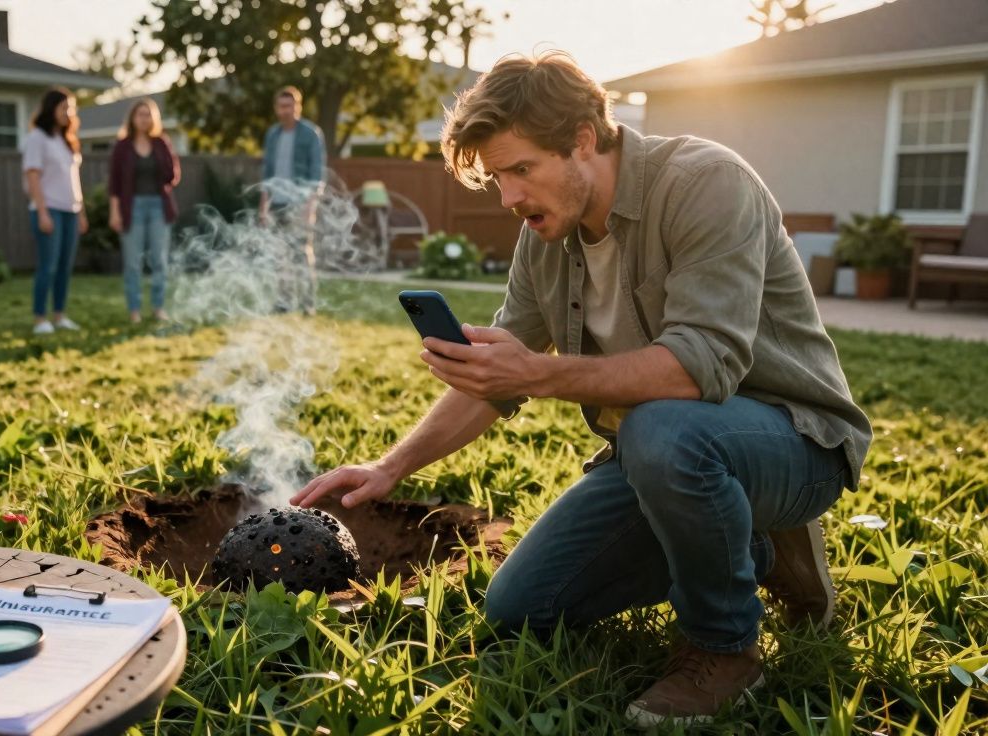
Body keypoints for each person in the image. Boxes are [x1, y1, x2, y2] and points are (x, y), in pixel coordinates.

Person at [291, 52, 871, 727]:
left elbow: (699, 367)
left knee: (660, 429)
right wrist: (389, 468)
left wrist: (538, 374)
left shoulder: (706, 183)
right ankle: (758, 550)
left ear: (584, 141)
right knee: (520, 609)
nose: (508, 197)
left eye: (520, 169)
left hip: (791, 440)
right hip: (665, 454)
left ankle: (724, 648)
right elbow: (497, 379)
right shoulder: (545, 233)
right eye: (497, 176)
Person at [108, 98, 181, 324]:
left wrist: (166, 158)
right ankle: (134, 310)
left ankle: (158, 307)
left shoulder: (161, 143)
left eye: (148, 114)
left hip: (159, 206)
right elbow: (115, 183)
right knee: (132, 263)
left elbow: (173, 176)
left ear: (153, 118)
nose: (144, 118)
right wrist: (115, 212)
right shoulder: (122, 147)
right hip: (133, 208)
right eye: (140, 114)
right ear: (132, 118)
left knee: (160, 261)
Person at [23, 87, 88, 335]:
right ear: (52, 109)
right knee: (48, 266)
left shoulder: (67, 140)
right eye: (64, 107)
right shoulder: (37, 138)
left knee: (64, 267)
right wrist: (42, 212)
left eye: (71, 108)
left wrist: (81, 212)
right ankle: (40, 318)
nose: (69, 112)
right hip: (49, 209)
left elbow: (74, 179)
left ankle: (59, 315)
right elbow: (32, 176)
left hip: (70, 210)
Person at [259, 86, 325, 315]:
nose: (285, 110)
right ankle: (284, 302)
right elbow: (267, 173)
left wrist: (310, 205)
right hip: (276, 203)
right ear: (277, 108)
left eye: (290, 106)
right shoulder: (273, 135)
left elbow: (316, 173)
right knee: (279, 256)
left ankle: (308, 304)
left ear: (298, 107)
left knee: (300, 255)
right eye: (281, 106)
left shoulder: (310, 134)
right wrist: (263, 205)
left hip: (300, 204)